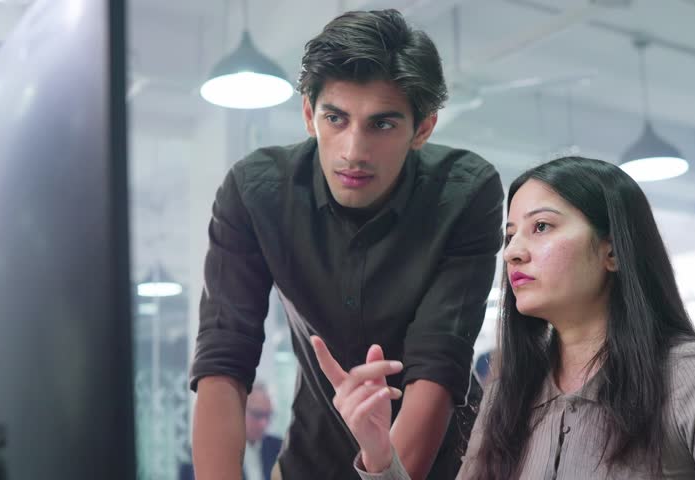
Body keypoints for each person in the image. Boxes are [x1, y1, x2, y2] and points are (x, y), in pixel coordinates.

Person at [314, 156, 695, 479]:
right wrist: (379, 453)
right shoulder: (511, 389)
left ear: (611, 250)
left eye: (541, 227)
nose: (513, 251)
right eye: (510, 234)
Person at [189, 9, 503, 480]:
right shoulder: (256, 193)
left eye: (381, 125)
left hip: (435, 463)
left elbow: (436, 369)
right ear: (309, 115)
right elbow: (223, 360)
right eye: (336, 118)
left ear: (423, 129)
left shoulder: (463, 193)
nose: (354, 150)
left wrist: (385, 474)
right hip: (310, 460)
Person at [242, 384, 282, 480]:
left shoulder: (279, 448)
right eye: (258, 415)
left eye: (268, 416)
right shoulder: (224, 451)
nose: (264, 424)